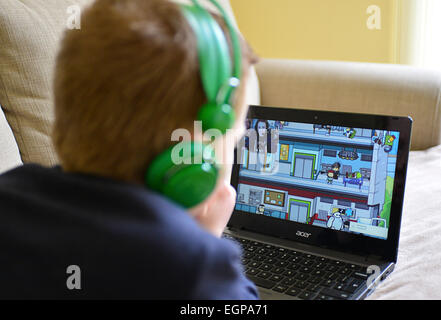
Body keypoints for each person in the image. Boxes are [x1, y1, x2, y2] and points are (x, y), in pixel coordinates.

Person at [0, 0, 259, 299]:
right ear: (192, 158)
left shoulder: (10, 196)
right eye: (234, 138)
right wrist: (205, 240)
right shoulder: (198, 269)